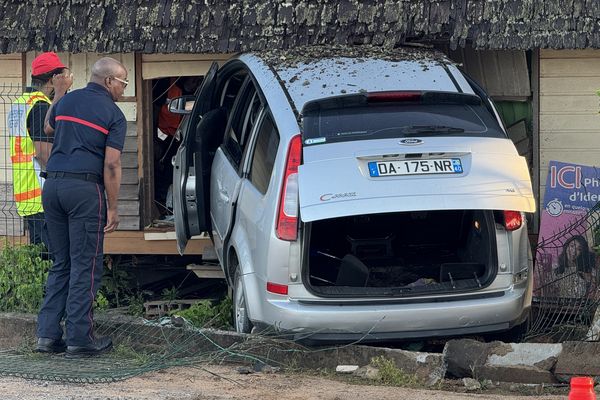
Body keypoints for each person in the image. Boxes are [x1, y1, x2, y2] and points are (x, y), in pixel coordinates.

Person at [35, 57, 128, 357]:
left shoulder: (68, 100)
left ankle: (47, 336)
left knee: (62, 262)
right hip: (84, 190)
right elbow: (112, 164)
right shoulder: (114, 114)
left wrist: (60, 93)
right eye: (123, 84)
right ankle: (79, 338)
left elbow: (48, 126)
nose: (124, 91)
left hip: (53, 188)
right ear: (109, 81)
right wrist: (113, 208)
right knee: (85, 264)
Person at [7, 52, 70, 248]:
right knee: (54, 256)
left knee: (41, 254)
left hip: (26, 192)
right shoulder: (41, 107)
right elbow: (44, 153)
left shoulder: (20, 104)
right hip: (43, 192)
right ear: (53, 79)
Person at [153, 76, 201, 216]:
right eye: (194, 81)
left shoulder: (198, 90)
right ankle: (161, 204)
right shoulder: (166, 84)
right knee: (162, 170)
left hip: (184, 135)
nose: (195, 84)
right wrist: (153, 139)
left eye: (198, 81)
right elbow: (154, 109)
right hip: (164, 134)